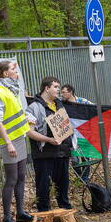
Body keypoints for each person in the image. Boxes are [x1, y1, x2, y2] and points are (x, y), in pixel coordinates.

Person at [0, 61, 58, 222]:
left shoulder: (11, 90)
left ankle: (20, 212)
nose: (17, 72)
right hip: (10, 142)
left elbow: (13, 114)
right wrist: (8, 143)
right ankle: (7, 218)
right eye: (13, 69)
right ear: (5, 74)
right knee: (11, 179)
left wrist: (26, 119)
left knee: (21, 176)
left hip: (19, 138)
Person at [26, 77, 75, 212]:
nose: (58, 90)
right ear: (47, 88)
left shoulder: (59, 104)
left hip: (62, 151)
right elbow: (29, 132)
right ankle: (44, 212)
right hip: (44, 154)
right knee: (43, 185)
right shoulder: (33, 107)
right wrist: (48, 140)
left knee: (63, 183)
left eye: (59, 87)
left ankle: (65, 210)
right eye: (56, 87)